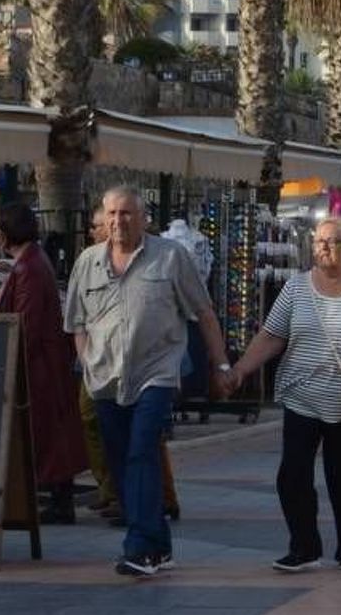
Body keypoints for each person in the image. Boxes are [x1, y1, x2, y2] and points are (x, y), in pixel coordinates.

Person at [66, 187, 230, 578]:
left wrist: (222, 365)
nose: (118, 221)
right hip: (105, 377)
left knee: (142, 451)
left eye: (126, 214)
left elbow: (203, 313)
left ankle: (138, 546)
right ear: (103, 219)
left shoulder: (171, 257)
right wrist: (89, 361)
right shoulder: (87, 262)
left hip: (155, 373)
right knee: (121, 460)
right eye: (112, 214)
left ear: (143, 219)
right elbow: (76, 323)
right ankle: (159, 543)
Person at [226, 216, 341, 573]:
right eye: (318, 241)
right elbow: (271, 336)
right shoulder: (296, 289)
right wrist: (242, 368)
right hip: (301, 395)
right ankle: (303, 546)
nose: (322, 248)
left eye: (332, 242)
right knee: (292, 475)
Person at [77, 205, 181, 526]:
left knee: (141, 439)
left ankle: (146, 508)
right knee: (121, 433)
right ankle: (128, 501)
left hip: (144, 364)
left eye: (98, 225)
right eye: (98, 225)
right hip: (102, 361)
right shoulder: (92, 262)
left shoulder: (160, 258)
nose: (96, 231)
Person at [0, 202, 86, 524]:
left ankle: (59, 500)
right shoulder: (33, 261)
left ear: (5, 233)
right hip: (44, 363)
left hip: (39, 367)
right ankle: (58, 496)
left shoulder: (28, 267)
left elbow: (26, 322)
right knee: (52, 432)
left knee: (46, 432)